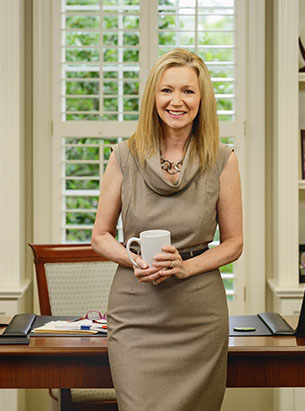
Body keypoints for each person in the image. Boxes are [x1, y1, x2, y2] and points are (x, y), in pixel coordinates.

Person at [91, 49, 243, 411]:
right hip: (136, 315)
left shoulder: (223, 159)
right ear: (153, 98)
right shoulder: (124, 156)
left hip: (199, 317)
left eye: (188, 91)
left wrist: (186, 267)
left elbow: (234, 243)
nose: (177, 101)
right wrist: (134, 259)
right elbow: (100, 236)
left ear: (202, 98)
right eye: (167, 91)